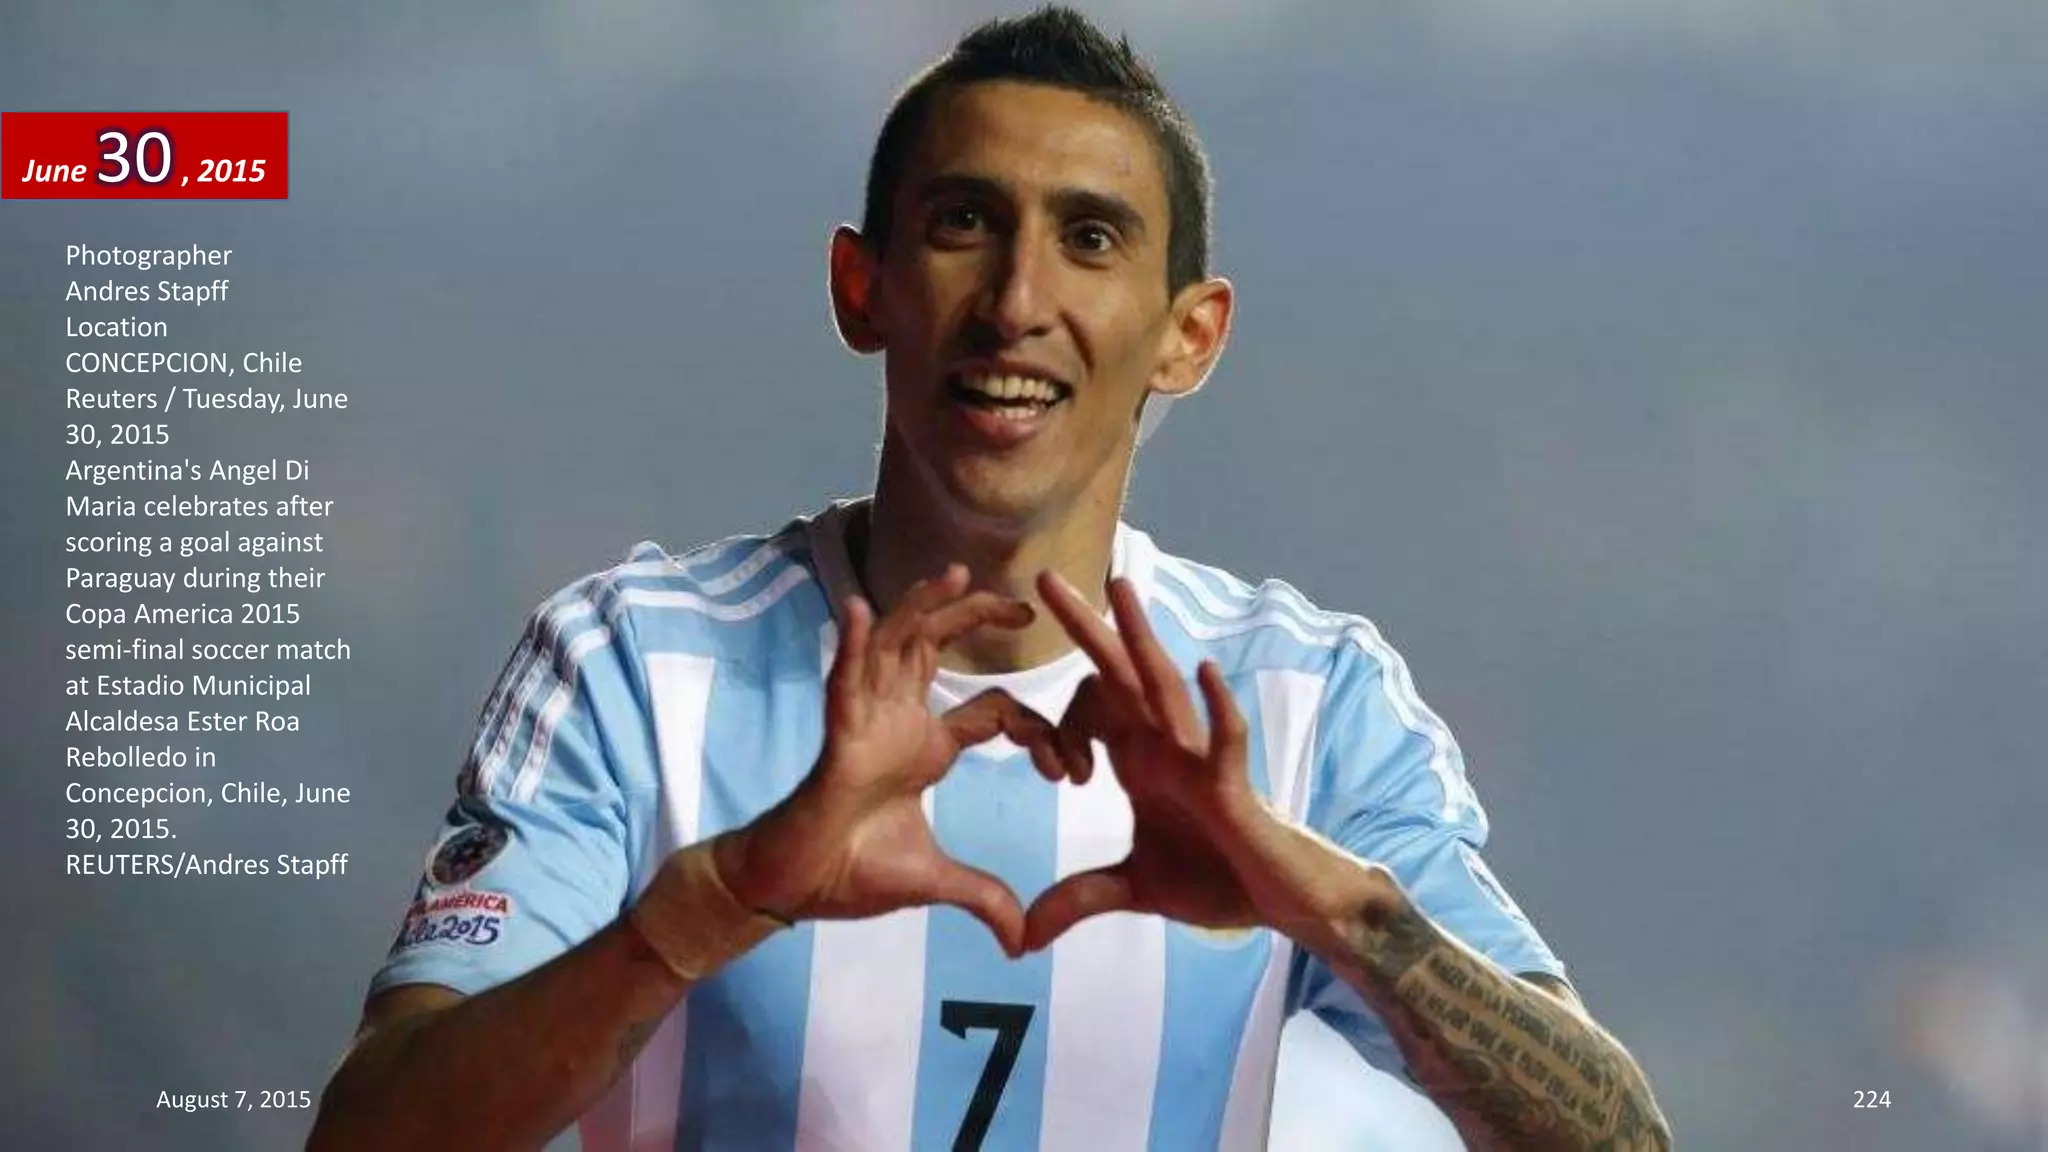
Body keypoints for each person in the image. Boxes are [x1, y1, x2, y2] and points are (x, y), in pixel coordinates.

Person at [309, 8, 1671, 1150]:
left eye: (1091, 238)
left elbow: (1621, 1138)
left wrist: (1338, 911)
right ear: (864, 288)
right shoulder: (632, 662)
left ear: (1189, 335)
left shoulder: (1306, 704)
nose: (1017, 299)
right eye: (968, 222)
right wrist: (721, 896)